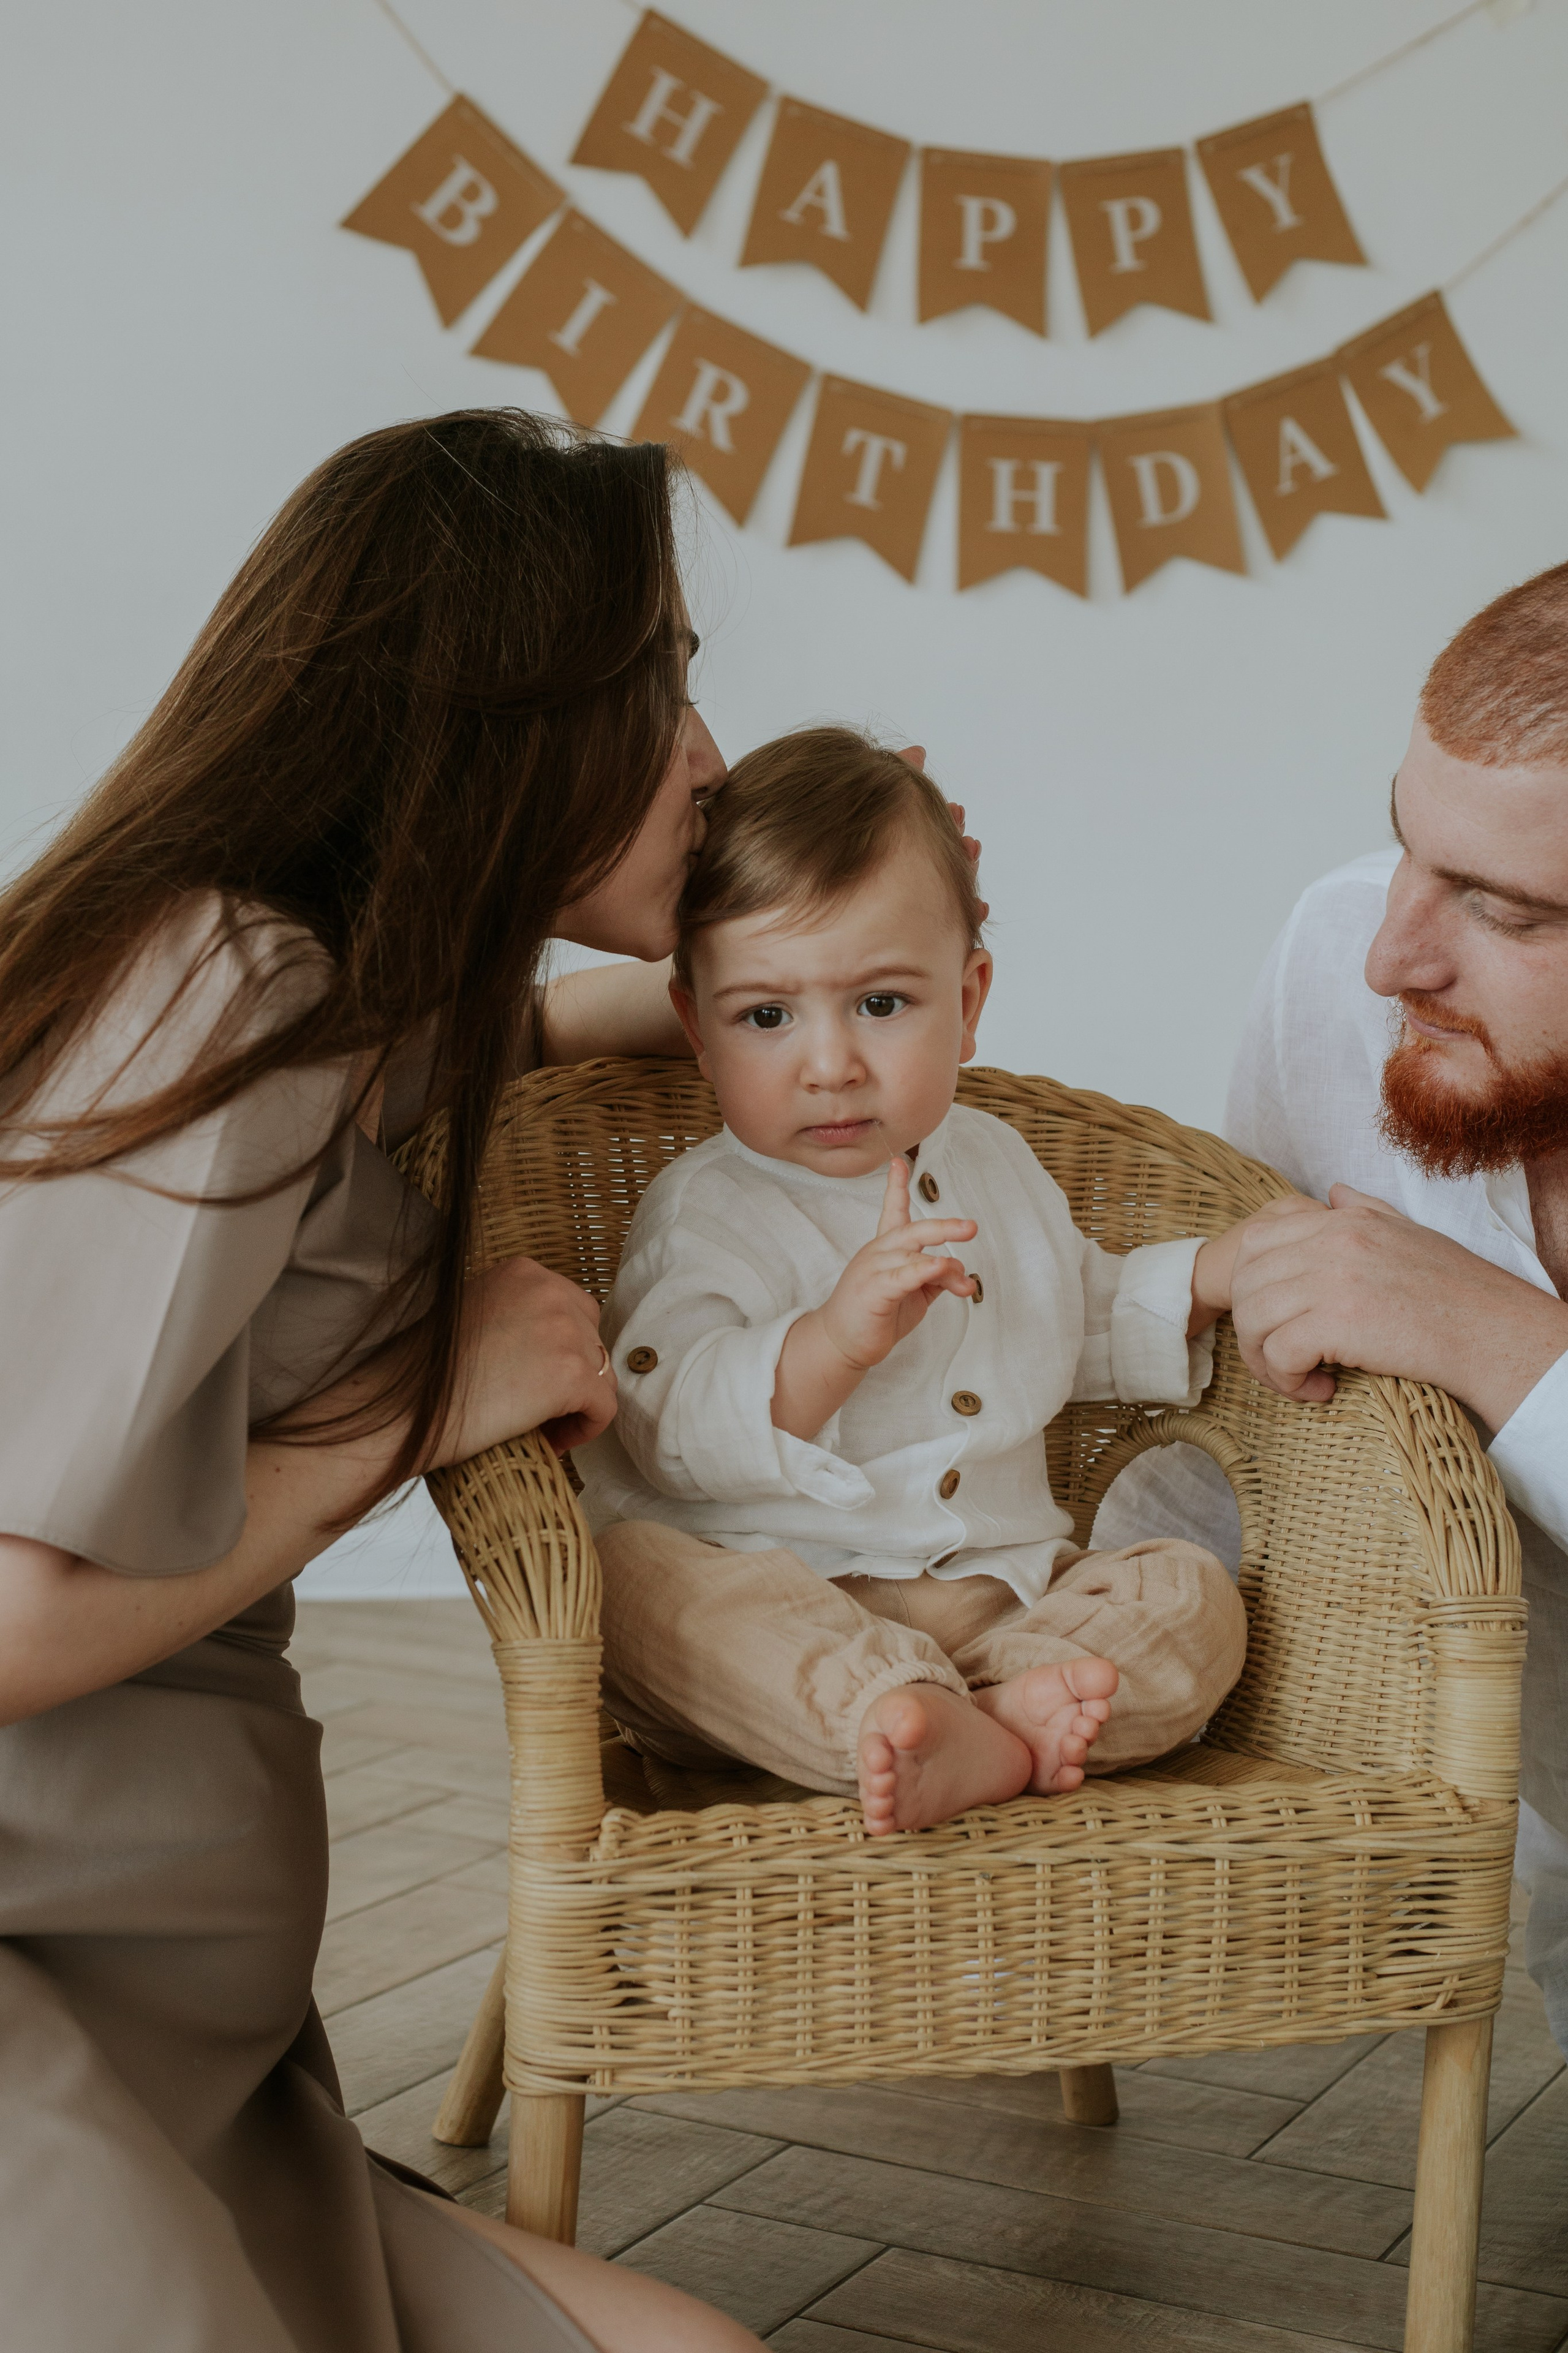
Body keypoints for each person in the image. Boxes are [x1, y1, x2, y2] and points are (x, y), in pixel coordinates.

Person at [0, 409, 766, 2351]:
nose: (710, 755)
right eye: (665, 681)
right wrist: (425, 1407)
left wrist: (776, 970)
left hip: (183, 2025)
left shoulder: (355, 1001)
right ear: (511, 710)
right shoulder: (221, 989)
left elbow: (503, 1027)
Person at [576, 728, 1251, 1834]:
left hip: (1005, 1603)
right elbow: (666, 1425)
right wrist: (831, 1340)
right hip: (787, 1606)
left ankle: (1001, 1720)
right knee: (640, 1587)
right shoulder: (709, 1206)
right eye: (767, 1016)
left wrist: (1206, 1279)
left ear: (970, 997)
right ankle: (899, 1714)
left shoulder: (995, 1164)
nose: (831, 1063)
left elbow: (1065, 1317)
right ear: (696, 1026)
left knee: (1189, 1592)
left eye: (882, 1004)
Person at [1099, 559, 1568, 2053]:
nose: (1390, 957)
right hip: (1438, 1655)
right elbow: (1247, 1378)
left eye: (1500, 911)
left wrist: (1487, 1334)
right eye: (1403, 853)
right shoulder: (1335, 955)